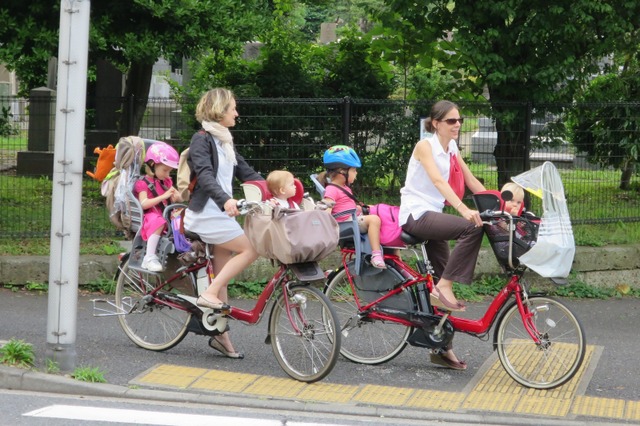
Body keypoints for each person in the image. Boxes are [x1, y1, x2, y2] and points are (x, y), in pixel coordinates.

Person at [399, 100, 486, 370]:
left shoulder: (451, 148)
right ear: (436, 123)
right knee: (470, 229)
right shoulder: (425, 146)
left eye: (459, 120)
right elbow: (438, 181)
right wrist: (463, 209)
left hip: (433, 216)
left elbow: (471, 180)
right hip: (416, 215)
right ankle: (443, 285)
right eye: (451, 121)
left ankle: (441, 349)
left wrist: (495, 205)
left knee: (441, 282)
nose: (457, 124)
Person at [183, 88, 263, 360]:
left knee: (223, 274)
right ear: (219, 110)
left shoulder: (225, 141)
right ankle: (209, 293)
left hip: (221, 214)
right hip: (206, 213)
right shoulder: (201, 139)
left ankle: (220, 336)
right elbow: (205, 176)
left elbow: (247, 172)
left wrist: (276, 193)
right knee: (251, 249)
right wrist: (226, 200)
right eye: (232, 108)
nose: (236, 113)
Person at [319, 145, 386, 269]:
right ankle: (376, 255)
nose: (356, 173)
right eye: (354, 170)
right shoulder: (332, 189)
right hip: (345, 224)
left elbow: (345, 205)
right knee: (374, 219)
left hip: (351, 219)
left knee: (378, 212)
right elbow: (327, 209)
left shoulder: (344, 187)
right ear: (341, 172)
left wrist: (361, 208)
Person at [134, 142, 182, 272]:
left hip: (165, 213)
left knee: (184, 217)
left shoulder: (166, 181)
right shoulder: (142, 183)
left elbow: (177, 198)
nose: (168, 174)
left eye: (170, 171)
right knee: (158, 221)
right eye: (165, 170)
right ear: (152, 165)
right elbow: (144, 204)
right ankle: (149, 257)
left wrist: (177, 197)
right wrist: (162, 197)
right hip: (151, 217)